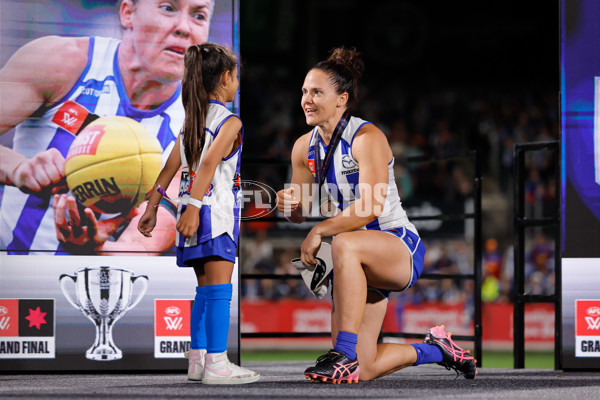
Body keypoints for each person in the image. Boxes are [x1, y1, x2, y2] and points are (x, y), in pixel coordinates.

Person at [276, 47, 477, 383]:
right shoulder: (303, 148)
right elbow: (300, 213)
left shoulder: (366, 137)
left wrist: (319, 231)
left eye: (316, 92)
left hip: (397, 247)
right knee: (365, 368)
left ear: (341, 99)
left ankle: (342, 354)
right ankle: (439, 349)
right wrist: (290, 207)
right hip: (353, 258)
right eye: (304, 91)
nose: (306, 99)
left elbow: (369, 207)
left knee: (343, 243)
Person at [0, 0, 214, 254]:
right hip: (12, 276)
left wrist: (98, 249)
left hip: (107, 286)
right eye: (168, 8)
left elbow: (144, 241)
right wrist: (17, 169)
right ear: (127, 13)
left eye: (199, 16)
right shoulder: (57, 62)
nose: (184, 28)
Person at [137, 43, 259, 385]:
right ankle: (218, 364)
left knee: (204, 290)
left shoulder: (192, 120)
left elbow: (168, 169)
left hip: (190, 212)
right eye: (236, 76)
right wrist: (193, 205)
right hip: (212, 211)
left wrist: (152, 206)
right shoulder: (229, 121)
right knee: (219, 289)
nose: (238, 82)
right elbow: (207, 165)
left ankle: (199, 360)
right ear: (225, 77)